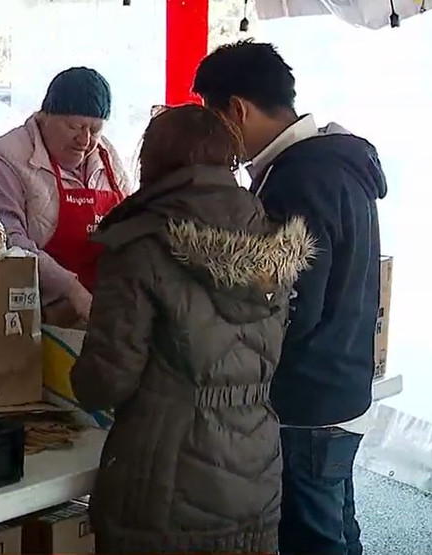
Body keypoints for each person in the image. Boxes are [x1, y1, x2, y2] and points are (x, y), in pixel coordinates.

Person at [70, 105, 316, 554]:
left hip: (163, 483)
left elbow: (105, 382)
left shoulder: (140, 245)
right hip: (256, 473)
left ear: (152, 162)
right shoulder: (273, 243)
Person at [193, 41, 388, 555]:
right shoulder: (334, 162)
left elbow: (289, 304)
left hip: (305, 397)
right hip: (340, 380)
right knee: (336, 527)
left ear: (236, 109)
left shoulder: (299, 178)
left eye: (215, 120)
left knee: (311, 537)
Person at [0, 67, 132, 327]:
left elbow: (131, 219)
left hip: (99, 310)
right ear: (44, 117)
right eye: (74, 126)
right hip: (25, 318)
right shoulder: (4, 160)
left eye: (95, 129)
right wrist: (71, 289)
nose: (85, 140)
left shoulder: (106, 157)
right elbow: (4, 241)